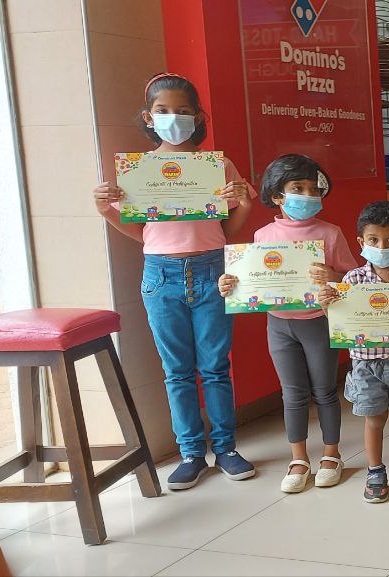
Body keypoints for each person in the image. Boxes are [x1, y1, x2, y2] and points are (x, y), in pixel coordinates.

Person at [91, 72, 256, 490]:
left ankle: (227, 449)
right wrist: (108, 212)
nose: (173, 118)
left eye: (183, 112)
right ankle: (189, 453)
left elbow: (229, 228)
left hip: (211, 269)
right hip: (160, 275)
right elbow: (140, 231)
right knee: (177, 371)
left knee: (216, 366)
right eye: (163, 111)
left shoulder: (216, 165)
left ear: (198, 116)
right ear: (148, 117)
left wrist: (246, 204)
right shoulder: (139, 172)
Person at [217, 154, 358, 493]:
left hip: (318, 322)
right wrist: (230, 284)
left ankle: (331, 454)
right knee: (292, 394)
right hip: (279, 324)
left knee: (324, 391)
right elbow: (251, 279)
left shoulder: (330, 233)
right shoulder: (264, 235)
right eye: (298, 188)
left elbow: (353, 279)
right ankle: (298, 458)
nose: (307, 195)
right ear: (277, 196)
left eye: (313, 189)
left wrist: (335, 276)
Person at [317, 201, 389, 503]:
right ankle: (375, 470)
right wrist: (326, 305)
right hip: (365, 366)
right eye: (373, 240)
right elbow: (340, 322)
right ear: (361, 242)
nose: (382, 246)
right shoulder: (351, 281)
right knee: (373, 420)